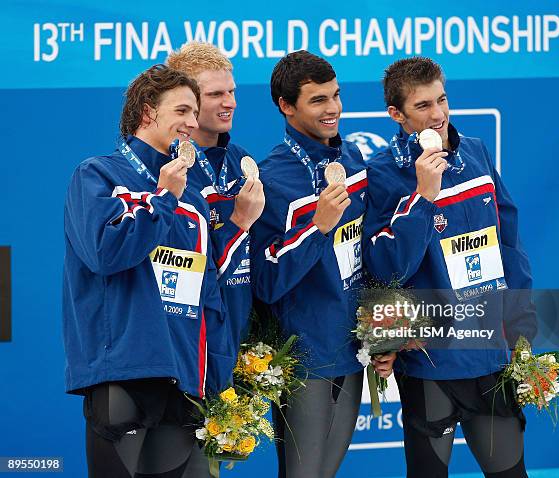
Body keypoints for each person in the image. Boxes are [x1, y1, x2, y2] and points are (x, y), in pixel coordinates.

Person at [363, 57, 536, 478]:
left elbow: (509, 243)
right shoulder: (384, 174)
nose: (438, 114)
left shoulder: (476, 152)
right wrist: (422, 196)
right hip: (430, 362)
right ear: (396, 115)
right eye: (423, 106)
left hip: (491, 354)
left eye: (442, 100)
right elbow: (386, 269)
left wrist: (521, 325)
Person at [63, 64, 233, 478]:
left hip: (183, 374)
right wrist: (162, 200)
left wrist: (219, 375)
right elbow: (105, 253)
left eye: (195, 111)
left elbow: (206, 289)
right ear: (146, 112)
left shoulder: (191, 195)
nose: (193, 122)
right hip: (125, 369)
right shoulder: (98, 175)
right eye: (182, 111)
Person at [249, 50, 393, 478]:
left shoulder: (354, 163)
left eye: (335, 95)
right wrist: (317, 228)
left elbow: (368, 258)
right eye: (317, 100)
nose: (332, 108)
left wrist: (382, 332)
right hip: (305, 357)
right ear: (286, 106)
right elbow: (265, 281)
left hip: (353, 352)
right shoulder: (270, 178)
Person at [167, 41, 264, 365]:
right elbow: (187, 273)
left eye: (231, 92)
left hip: (247, 349)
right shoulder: (169, 173)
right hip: (191, 349)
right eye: (216, 95)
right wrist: (238, 220)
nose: (230, 103)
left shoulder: (242, 161)